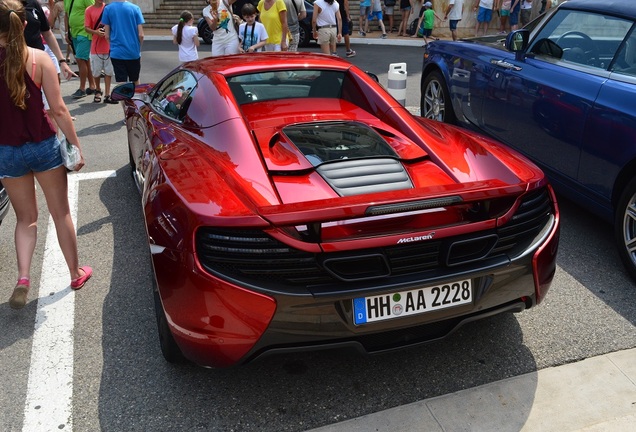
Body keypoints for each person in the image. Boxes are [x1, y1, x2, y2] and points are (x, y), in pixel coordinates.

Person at [0, 0, 92, 310]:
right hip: (42, 145)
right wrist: (75, 144)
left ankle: (23, 278)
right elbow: (59, 109)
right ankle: (75, 272)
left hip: (7, 151)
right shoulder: (38, 59)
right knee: (60, 212)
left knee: (25, 219)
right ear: (24, 25)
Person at [23, 0, 75, 80]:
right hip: (13, 62)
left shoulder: (33, 4)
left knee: (53, 82)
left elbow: (47, 33)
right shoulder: (4, 6)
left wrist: (62, 61)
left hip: (37, 59)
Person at [102, 0, 145, 84]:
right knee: (135, 79)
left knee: (121, 82)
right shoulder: (135, 8)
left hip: (117, 52)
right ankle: (136, 96)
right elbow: (141, 35)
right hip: (133, 51)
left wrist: (112, 47)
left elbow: (106, 35)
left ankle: (122, 96)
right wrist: (138, 48)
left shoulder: (108, 9)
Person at [85, 0, 117, 103]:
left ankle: (107, 94)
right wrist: (96, 32)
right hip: (96, 47)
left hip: (109, 45)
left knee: (109, 71)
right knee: (96, 71)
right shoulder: (89, 10)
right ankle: (98, 90)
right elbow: (86, 28)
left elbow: (114, 24)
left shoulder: (109, 8)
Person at [65, 0, 96, 99]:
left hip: (84, 32)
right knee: (85, 59)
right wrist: (67, 32)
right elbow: (67, 14)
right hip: (74, 33)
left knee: (80, 59)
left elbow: (94, 11)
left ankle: (82, 89)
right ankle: (92, 85)